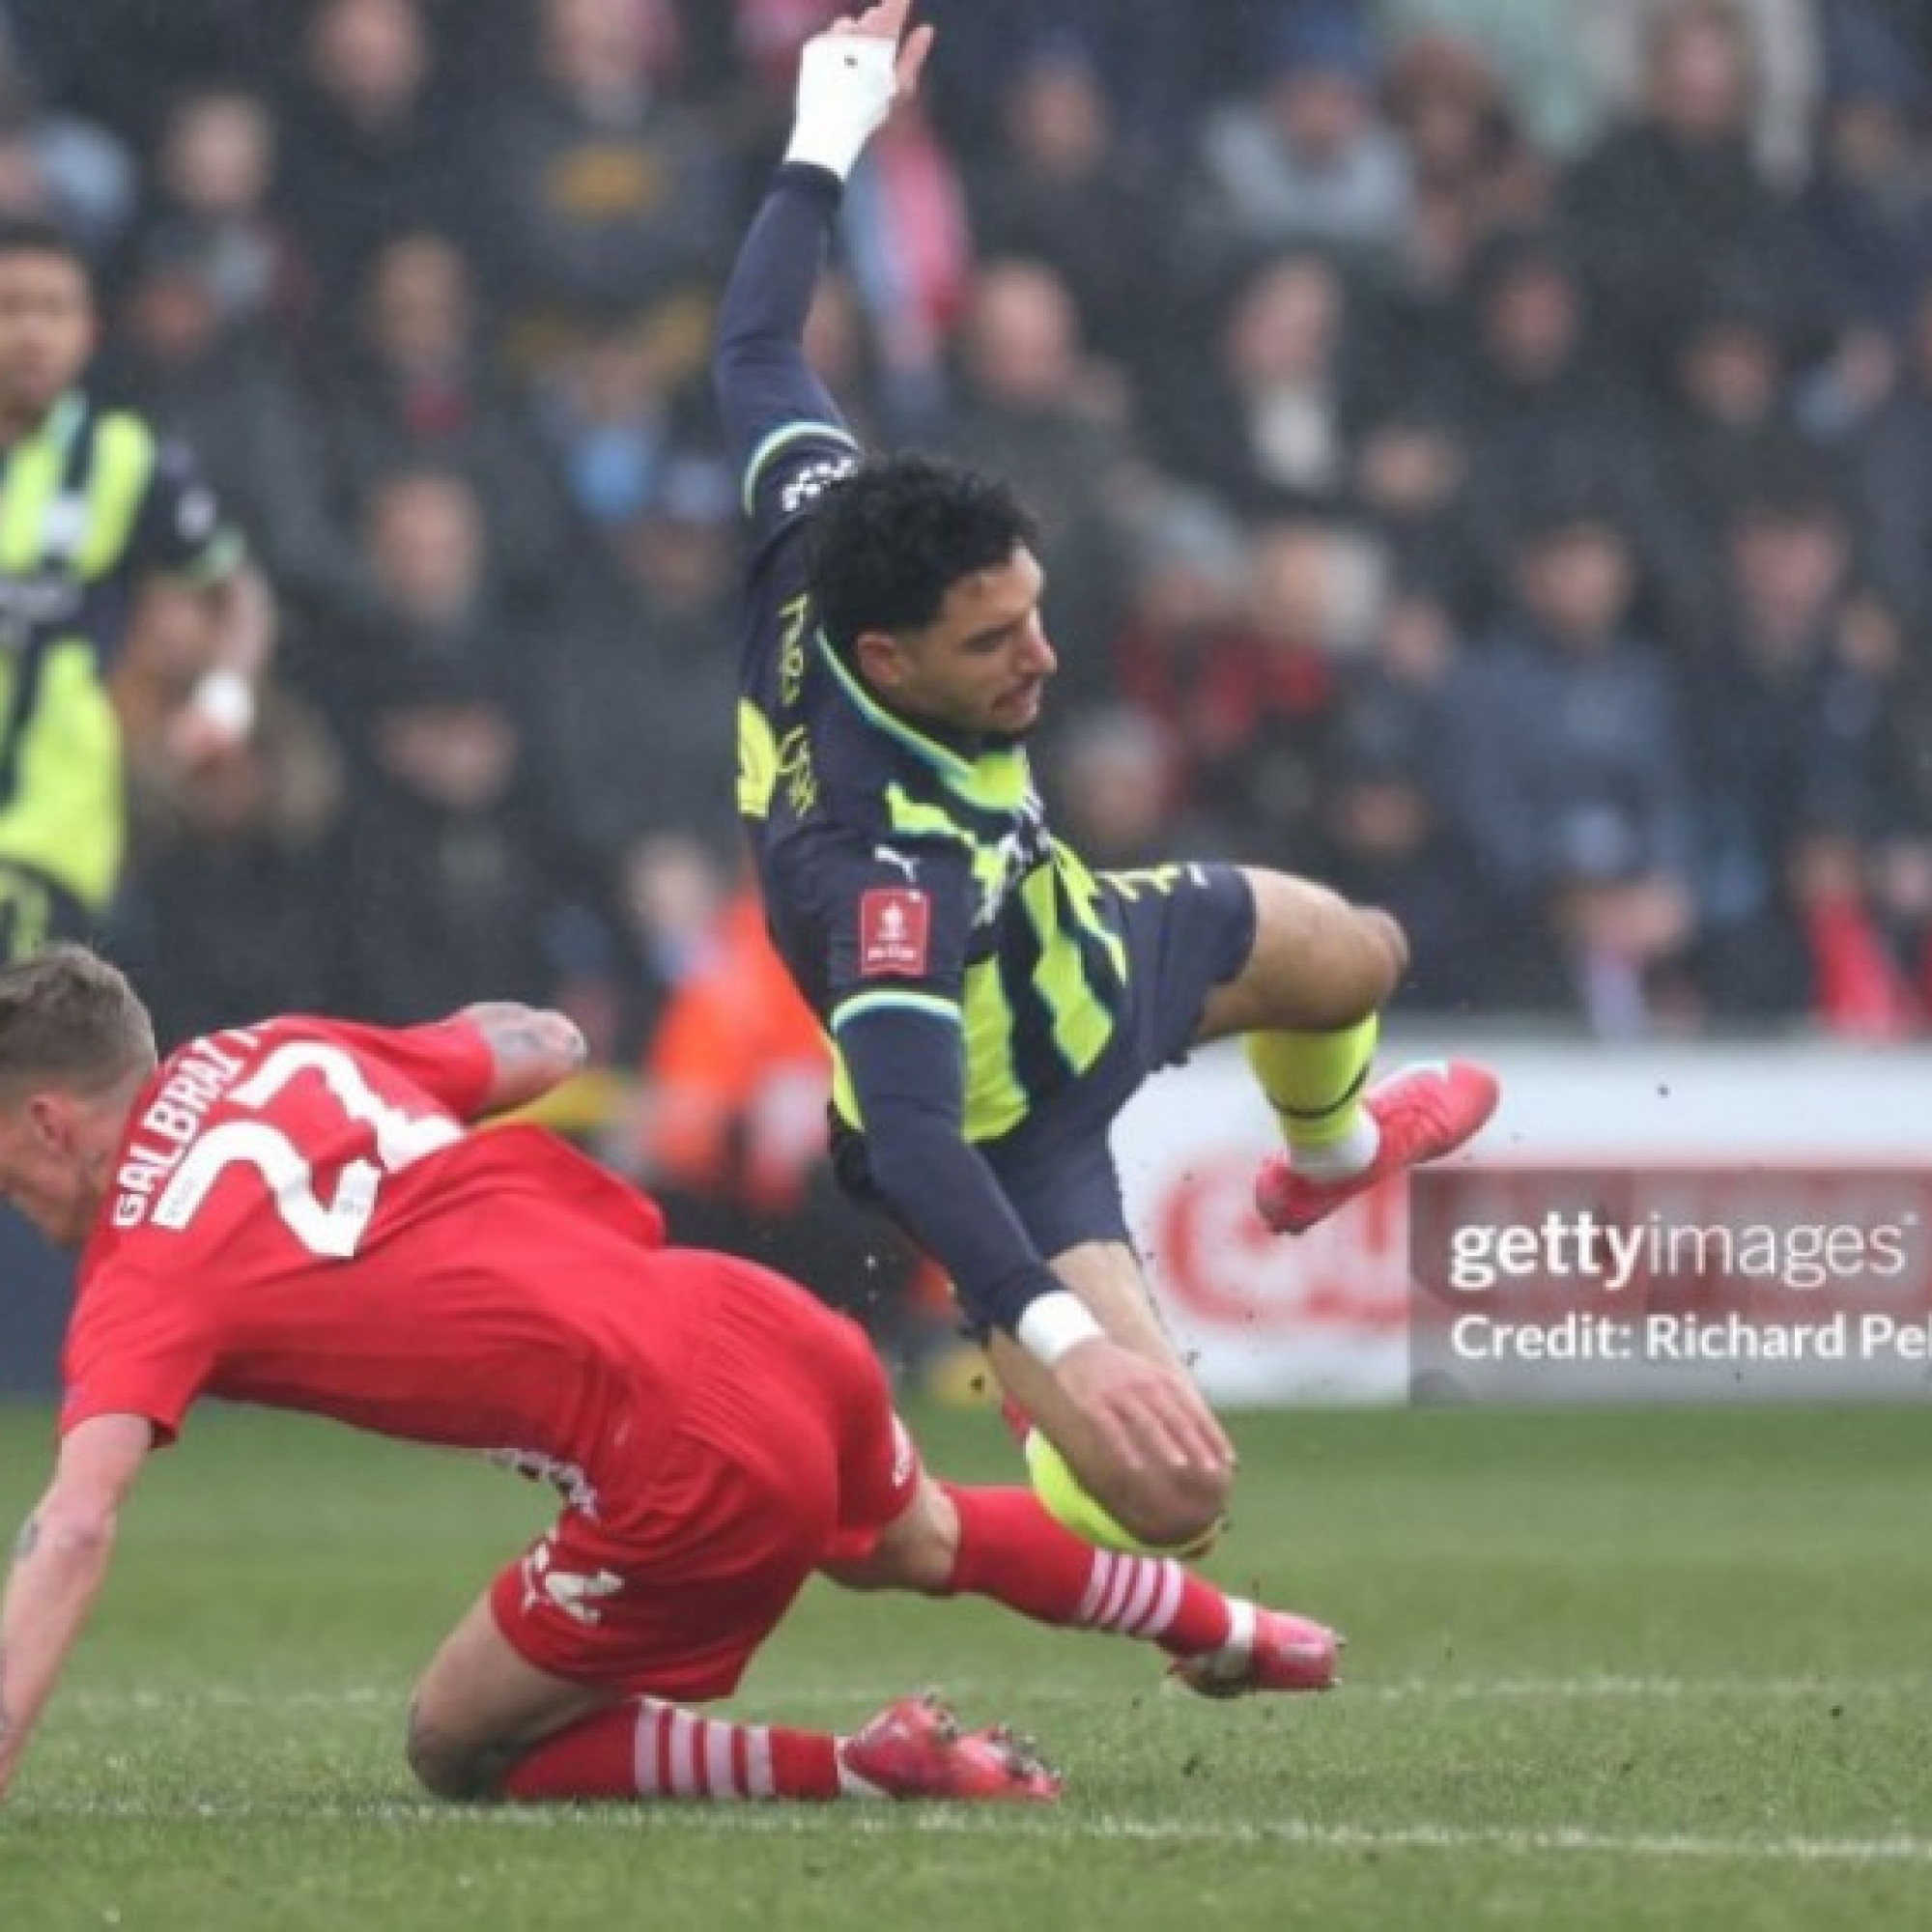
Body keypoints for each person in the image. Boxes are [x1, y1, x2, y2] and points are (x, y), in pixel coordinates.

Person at [712, 2, 1498, 1559]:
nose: (1044, 661)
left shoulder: (822, 517)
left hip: (1087, 943)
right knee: (1178, 1495)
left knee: (1363, 953)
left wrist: (828, 126)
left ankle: (1323, 1164)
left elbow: (753, 344)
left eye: (1038, 609)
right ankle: (1041, 1402)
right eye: (995, 640)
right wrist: (1054, 1338)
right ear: (884, 659)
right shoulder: (880, 871)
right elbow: (921, 1145)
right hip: (1011, 1135)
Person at [0, 945, 1343, 1809]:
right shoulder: (272, 1049)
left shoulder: (147, 1267)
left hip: (675, 1455)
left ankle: (867, 1771)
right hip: (754, 1317)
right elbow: (532, 1042)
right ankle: (1235, 1632)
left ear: (52, 1121)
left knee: (455, 1747)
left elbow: (73, 1522)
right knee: (911, 1535)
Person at [0, 215, 272, 961]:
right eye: (10, 306)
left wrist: (225, 698)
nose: (30, 332)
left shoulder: (125, 462)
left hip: (47, 827)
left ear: (87, 332)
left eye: (52, 310)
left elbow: (235, 589)